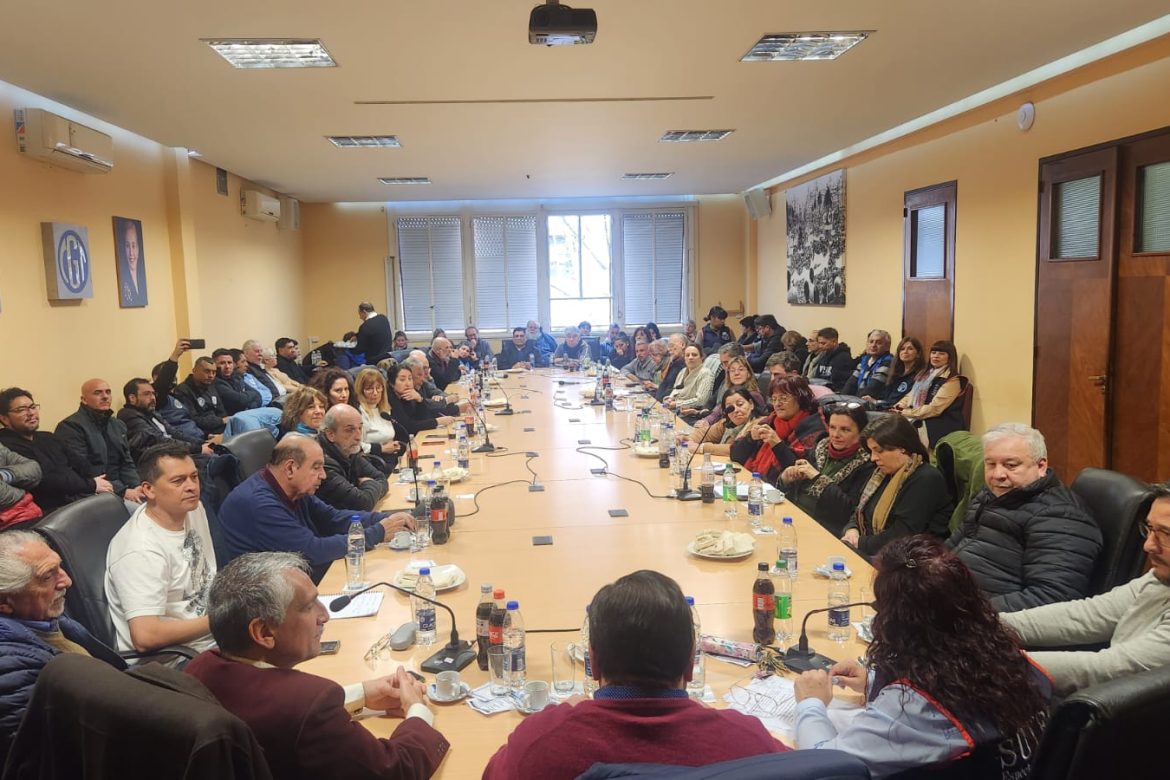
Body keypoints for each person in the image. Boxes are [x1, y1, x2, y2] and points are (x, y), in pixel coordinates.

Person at [483, 570, 785, 779]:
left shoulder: (540, 746)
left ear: (593, 663)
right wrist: (717, 719)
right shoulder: (749, 744)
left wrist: (559, 717)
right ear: (689, 662)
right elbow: (803, 767)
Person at [794, 536, 1052, 780]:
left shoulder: (912, 709)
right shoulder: (1009, 658)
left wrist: (810, 703)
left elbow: (825, 767)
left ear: (896, 621)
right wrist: (874, 682)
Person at [185, 553, 448, 780]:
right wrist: (417, 710)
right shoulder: (309, 704)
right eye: (309, 606)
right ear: (263, 632)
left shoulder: (198, 668)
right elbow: (395, 770)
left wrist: (361, 694)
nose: (325, 615)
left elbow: (275, 714)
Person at [1001, 482, 1170, 696]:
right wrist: (985, 625)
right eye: (1150, 529)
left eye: (1166, 534)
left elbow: (1105, 669)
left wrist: (995, 662)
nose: (1148, 545)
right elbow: (1085, 615)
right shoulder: (1160, 578)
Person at [0, 531, 126, 764]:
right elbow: (50, 757)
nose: (66, 581)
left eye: (59, 567)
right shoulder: (8, 666)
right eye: (48, 576)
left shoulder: (45, 617)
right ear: (5, 603)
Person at [218, 435, 414, 583]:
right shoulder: (259, 504)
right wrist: (378, 532)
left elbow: (334, 518)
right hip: (264, 599)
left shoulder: (293, 489)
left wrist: (387, 519)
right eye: (316, 467)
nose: (323, 475)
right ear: (290, 468)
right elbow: (312, 551)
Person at [949, 424, 1102, 612]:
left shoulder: (1060, 517)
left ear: (1041, 466)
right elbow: (953, 545)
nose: (997, 475)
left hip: (986, 618)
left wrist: (968, 613)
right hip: (951, 596)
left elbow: (1051, 597)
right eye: (990, 464)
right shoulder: (993, 494)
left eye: (1011, 465)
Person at [105, 443, 216, 654]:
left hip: (211, 636)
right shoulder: (140, 550)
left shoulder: (193, 509)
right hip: (178, 657)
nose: (192, 487)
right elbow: (146, 636)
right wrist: (222, 619)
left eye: (194, 477)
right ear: (149, 490)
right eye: (178, 481)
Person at [841, 414, 953, 558]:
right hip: (872, 548)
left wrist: (859, 543)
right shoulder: (881, 473)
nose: (873, 458)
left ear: (902, 448)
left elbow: (902, 535)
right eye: (871, 451)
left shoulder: (926, 478)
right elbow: (859, 511)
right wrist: (851, 530)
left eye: (879, 450)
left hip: (909, 559)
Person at [0, 388, 112, 514]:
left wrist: (96, 482)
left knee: (120, 509)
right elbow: (44, 480)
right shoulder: (5, 445)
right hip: (48, 509)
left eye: (32, 407)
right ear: (4, 418)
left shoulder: (48, 437)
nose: (30, 413)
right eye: (21, 410)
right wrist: (91, 485)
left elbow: (80, 463)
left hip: (79, 497)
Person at [780, 404, 876, 537]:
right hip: (792, 516)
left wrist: (818, 479)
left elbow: (849, 511)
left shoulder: (867, 464)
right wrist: (786, 479)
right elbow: (792, 491)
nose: (835, 435)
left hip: (824, 530)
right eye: (832, 427)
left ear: (861, 433)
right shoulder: (821, 447)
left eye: (845, 430)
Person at [55, 379, 143, 502]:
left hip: (122, 489)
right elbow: (84, 470)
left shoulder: (118, 425)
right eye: (98, 393)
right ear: (84, 399)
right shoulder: (70, 427)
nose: (105, 396)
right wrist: (123, 491)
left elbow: (126, 462)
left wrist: (136, 486)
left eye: (108, 392)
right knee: (141, 511)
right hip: (92, 493)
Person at [731, 375, 825, 485]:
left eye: (783, 398)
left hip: (781, 490)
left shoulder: (813, 428)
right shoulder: (770, 420)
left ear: (800, 398)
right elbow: (735, 456)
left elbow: (800, 472)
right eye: (774, 399)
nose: (777, 404)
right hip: (753, 483)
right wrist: (750, 438)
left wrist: (777, 444)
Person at [116, 378, 210, 462]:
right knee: (211, 462)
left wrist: (203, 443)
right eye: (147, 394)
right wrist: (197, 449)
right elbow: (157, 439)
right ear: (132, 398)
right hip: (157, 461)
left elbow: (174, 433)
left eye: (153, 394)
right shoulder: (128, 415)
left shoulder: (152, 413)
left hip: (173, 453)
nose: (153, 398)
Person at [893, 339, 965, 448]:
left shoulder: (952, 380)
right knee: (887, 423)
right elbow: (909, 396)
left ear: (950, 357)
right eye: (933, 352)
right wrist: (897, 407)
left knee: (897, 432)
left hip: (940, 422)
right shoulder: (925, 374)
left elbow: (934, 409)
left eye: (941, 353)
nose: (936, 356)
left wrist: (905, 412)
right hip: (919, 415)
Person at [315, 405, 388, 512]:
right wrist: (369, 483)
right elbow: (362, 504)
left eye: (360, 428)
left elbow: (381, 477)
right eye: (350, 430)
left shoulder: (348, 450)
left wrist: (367, 491)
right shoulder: (322, 463)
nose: (358, 437)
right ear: (330, 434)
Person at [151, 340, 208, 442]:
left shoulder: (178, 394)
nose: (174, 379)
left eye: (175, 376)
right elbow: (164, 382)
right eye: (171, 376)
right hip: (187, 444)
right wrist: (175, 355)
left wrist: (207, 436)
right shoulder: (158, 398)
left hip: (201, 436)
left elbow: (192, 420)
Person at [690, 387, 768, 459]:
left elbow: (735, 449)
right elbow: (704, 434)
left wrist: (702, 448)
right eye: (730, 408)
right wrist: (688, 440)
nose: (736, 410)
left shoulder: (759, 423)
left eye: (740, 404)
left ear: (751, 404)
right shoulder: (726, 423)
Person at [387, 365, 456, 438]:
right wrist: (437, 422)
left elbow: (424, 418)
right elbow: (408, 426)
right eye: (402, 380)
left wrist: (420, 400)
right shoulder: (389, 399)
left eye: (410, 379)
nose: (408, 383)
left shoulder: (408, 395)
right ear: (392, 383)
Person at [354, 368, 403, 470]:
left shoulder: (384, 410)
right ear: (360, 391)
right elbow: (357, 446)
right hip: (374, 463)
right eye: (369, 389)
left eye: (378, 388)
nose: (375, 393)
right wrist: (381, 449)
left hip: (391, 458)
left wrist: (394, 445)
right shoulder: (359, 413)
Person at [866, 336, 924, 411]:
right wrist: (874, 400)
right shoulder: (895, 374)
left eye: (910, 349)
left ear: (918, 354)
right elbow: (885, 396)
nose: (905, 351)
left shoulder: (920, 375)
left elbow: (900, 402)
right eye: (902, 349)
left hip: (900, 412)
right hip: (884, 409)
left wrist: (876, 402)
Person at [174, 356, 229, 436]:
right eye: (207, 371)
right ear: (194, 370)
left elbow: (222, 412)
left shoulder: (211, 386)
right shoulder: (183, 390)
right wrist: (221, 421)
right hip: (202, 433)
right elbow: (193, 419)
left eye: (214, 372)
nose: (211, 375)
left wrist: (224, 422)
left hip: (220, 428)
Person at [663, 343, 716, 417]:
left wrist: (677, 404)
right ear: (684, 358)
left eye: (694, 355)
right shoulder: (682, 371)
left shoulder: (706, 373)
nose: (690, 357)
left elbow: (701, 401)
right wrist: (670, 399)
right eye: (687, 355)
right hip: (675, 410)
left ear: (701, 357)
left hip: (691, 415)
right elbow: (676, 390)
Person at [841, 329, 893, 398]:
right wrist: (841, 399)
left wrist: (853, 401)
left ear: (887, 347)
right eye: (871, 342)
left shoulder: (888, 362)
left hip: (873, 401)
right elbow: (851, 383)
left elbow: (873, 388)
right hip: (858, 399)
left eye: (878, 343)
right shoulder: (865, 360)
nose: (873, 345)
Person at [0, 442, 41, 528]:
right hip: (8, 524)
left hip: (31, 512)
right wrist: (22, 492)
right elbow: (3, 497)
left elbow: (34, 468)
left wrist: (5, 475)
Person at [212, 348, 261, 414]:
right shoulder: (216, 382)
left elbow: (258, 395)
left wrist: (249, 408)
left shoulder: (237, 377)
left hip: (248, 414)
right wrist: (248, 398)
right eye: (222, 363)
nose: (227, 366)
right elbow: (239, 400)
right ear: (214, 365)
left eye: (229, 363)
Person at [807, 327, 855, 392]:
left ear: (834, 342)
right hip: (822, 391)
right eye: (819, 343)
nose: (820, 346)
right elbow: (817, 377)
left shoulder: (843, 358)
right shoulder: (823, 355)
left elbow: (841, 382)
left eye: (823, 343)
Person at [116, 219, 147, 307]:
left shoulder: (142, 279)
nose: (131, 253)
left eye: (133, 245)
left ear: (138, 248)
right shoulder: (123, 281)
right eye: (127, 246)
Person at [650, 334, 687, 402]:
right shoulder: (674, 363)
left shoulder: (686, 365)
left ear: (683, 345)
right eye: (668, 346)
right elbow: (664, 386)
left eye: (671, 346)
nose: (668, 349)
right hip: (659, 402)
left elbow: (674, 391)